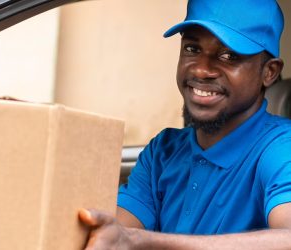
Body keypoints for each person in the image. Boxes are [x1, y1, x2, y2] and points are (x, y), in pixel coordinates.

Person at [79, 0, 291, 249]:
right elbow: (111, 232)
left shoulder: (280, 149)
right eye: (192, 48)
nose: (201, 70)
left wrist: (137, 241)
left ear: (269, 72)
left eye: (229, 55)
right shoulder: (163, 150)